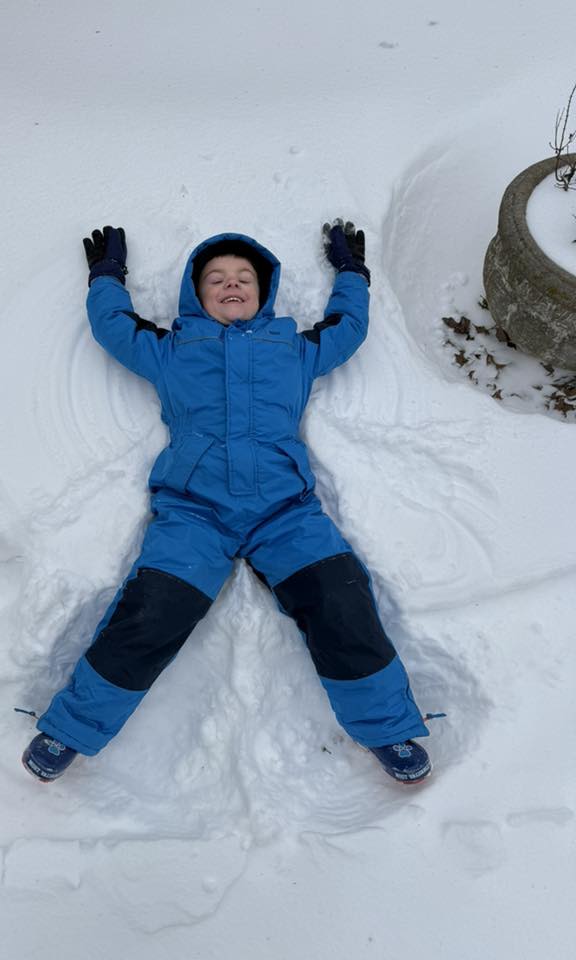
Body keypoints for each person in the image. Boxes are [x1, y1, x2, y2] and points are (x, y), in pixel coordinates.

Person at [22, 222, 432, 786]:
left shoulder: (294, 347)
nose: (231, 284)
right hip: (196, 516)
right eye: (216, 278)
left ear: (264, 293)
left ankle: (388, 728)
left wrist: (352, 274)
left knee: (342, 603)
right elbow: (114, 328)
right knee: (150, 616)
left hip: (286, 515)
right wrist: (107, 279)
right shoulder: (172, 348)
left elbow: (349, 328)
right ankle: (71, 729)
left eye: (244, 277)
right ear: (195, 293)